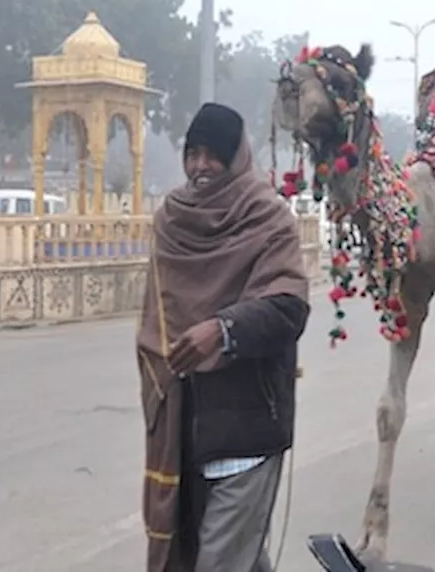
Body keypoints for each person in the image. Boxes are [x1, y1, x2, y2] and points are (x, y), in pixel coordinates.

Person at [136, 102, 311, 572]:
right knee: (230, 558)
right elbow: (156, 323)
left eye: (214, 154)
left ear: (237, 157)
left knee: (218, 564)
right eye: (193, 153)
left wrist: (224, 330)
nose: (201, 166)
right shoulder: (171, 220)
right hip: (183, 426)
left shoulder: (267, 218)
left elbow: (289, 307)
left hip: (245, 429)